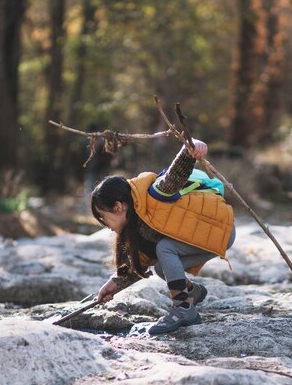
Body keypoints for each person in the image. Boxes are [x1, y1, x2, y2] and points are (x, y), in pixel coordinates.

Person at [90, 139, 236, 334]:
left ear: (118, 207)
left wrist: (191, 148)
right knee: (161, 266)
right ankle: (193, 292)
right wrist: (113, 285)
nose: (106, 227)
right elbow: (139, 266)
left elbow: (176, 173)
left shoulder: (155, 193)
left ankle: (184, 310)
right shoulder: (136, 224)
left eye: (104, 218)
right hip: (206, 235)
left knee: (165, 249)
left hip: (218, 229)